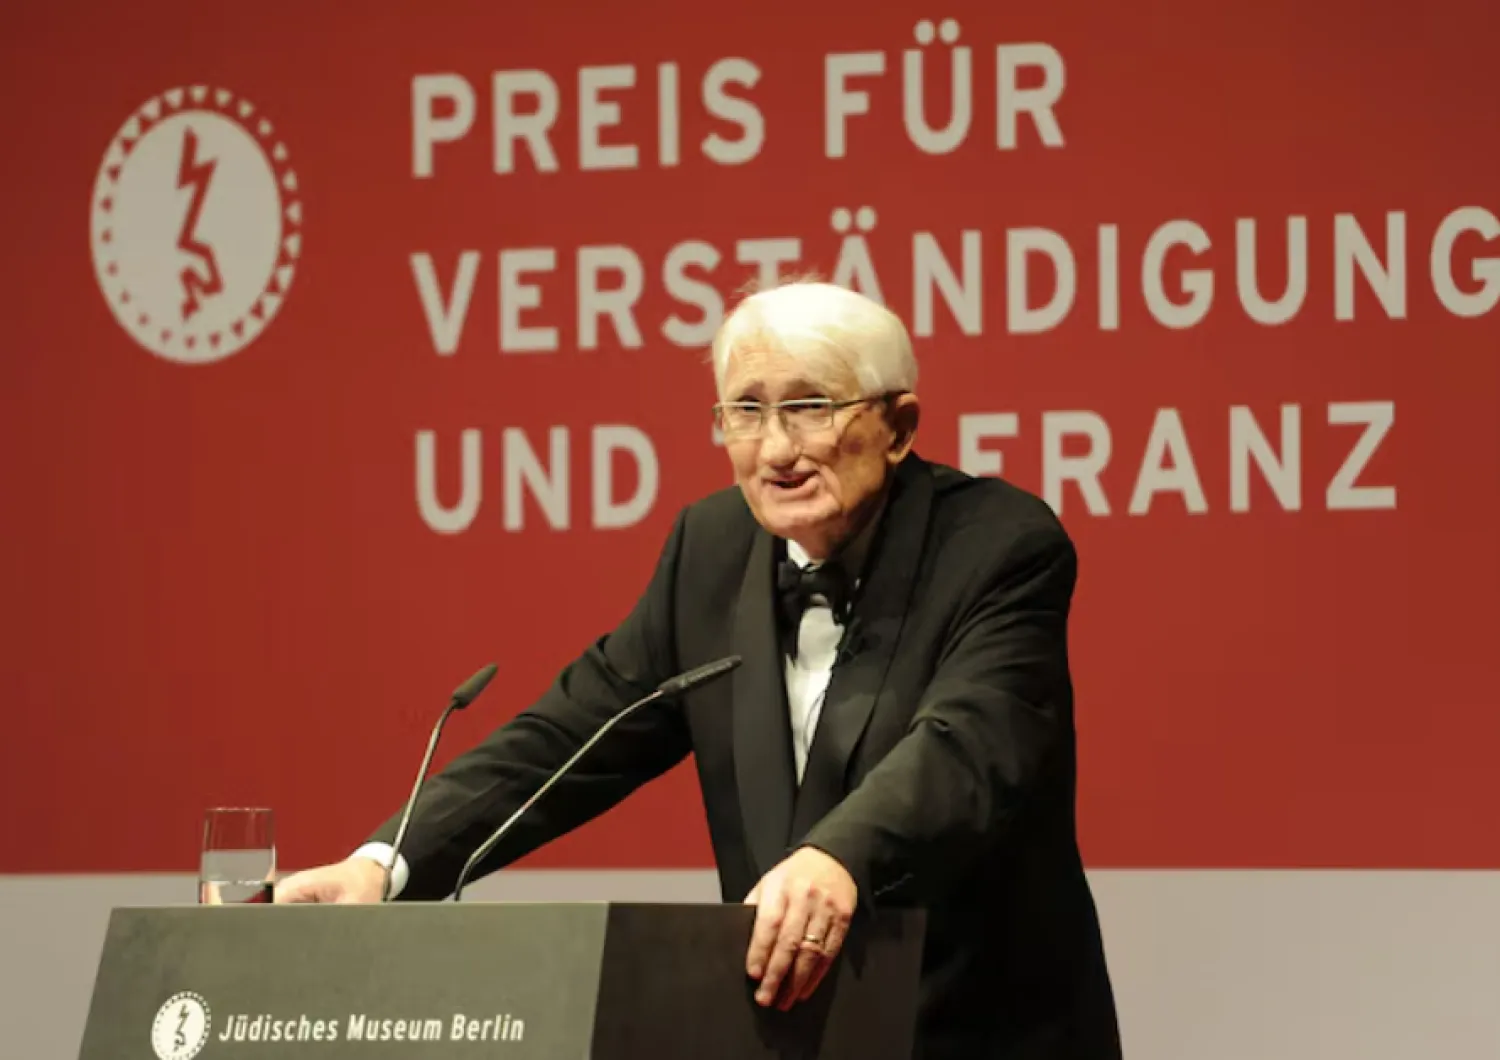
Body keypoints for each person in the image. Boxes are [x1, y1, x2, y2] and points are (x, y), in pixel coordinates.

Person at [276, 280, 1122, 1059]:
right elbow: (571, 737)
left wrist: (838, 857)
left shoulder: (1000, 544)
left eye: (810, 407)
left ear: (898, 427)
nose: (777, 448)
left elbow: (969, 748)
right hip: (794, 1033)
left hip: (980, 1032)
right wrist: (385, 865)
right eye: (745, 411)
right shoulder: (710, 550)